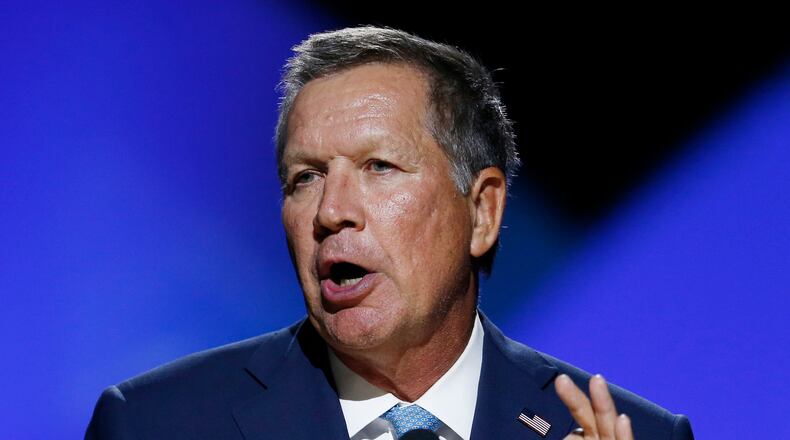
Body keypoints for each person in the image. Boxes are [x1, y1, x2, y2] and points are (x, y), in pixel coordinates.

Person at [86, 26, 694, 440]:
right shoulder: (155, 424)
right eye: (306, 177)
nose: (331, 212)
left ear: (482, 212)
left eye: (379, 167)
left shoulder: (636, 434)